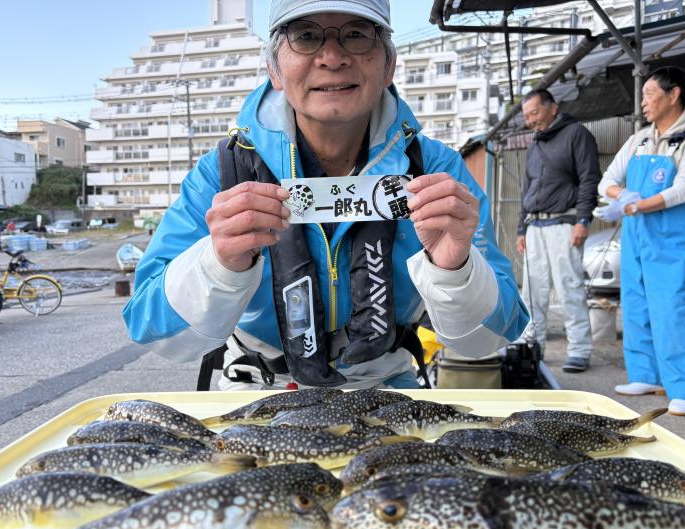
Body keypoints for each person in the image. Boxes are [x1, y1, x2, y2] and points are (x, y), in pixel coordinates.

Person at [122, 0, 528, 390]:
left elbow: (489, 339)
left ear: (389, 65)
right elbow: (155, 331)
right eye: (306, 35)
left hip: (387, 392)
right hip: (259, 393)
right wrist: (217, 263)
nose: (332, 57)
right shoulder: (224, 173)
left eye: (356, 34)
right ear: (274, 68)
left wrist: (457, 270)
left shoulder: (437, 171)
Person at [595, 66, 685, 416]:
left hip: (673, 240)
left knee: (675, 309)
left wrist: (634, 204)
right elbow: (607, 182)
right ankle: (645, 374)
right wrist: (622, 195)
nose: (643, 101)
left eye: (649, 93)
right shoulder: (639, 138)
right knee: (637, 304)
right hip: (637, 236)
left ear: (673, 94)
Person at [516, 90, 599, 373]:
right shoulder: (534, 144)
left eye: (534, 113)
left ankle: (579, 350)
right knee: (532, 293)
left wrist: (583, 220)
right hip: (534, 226)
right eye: (526, 116)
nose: (530, 121)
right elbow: (526, 190)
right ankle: (532, 346)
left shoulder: (577, 134)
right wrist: (520, 229)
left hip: (564, 223)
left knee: (569, 290)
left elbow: (590, 179)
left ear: (553, 107)